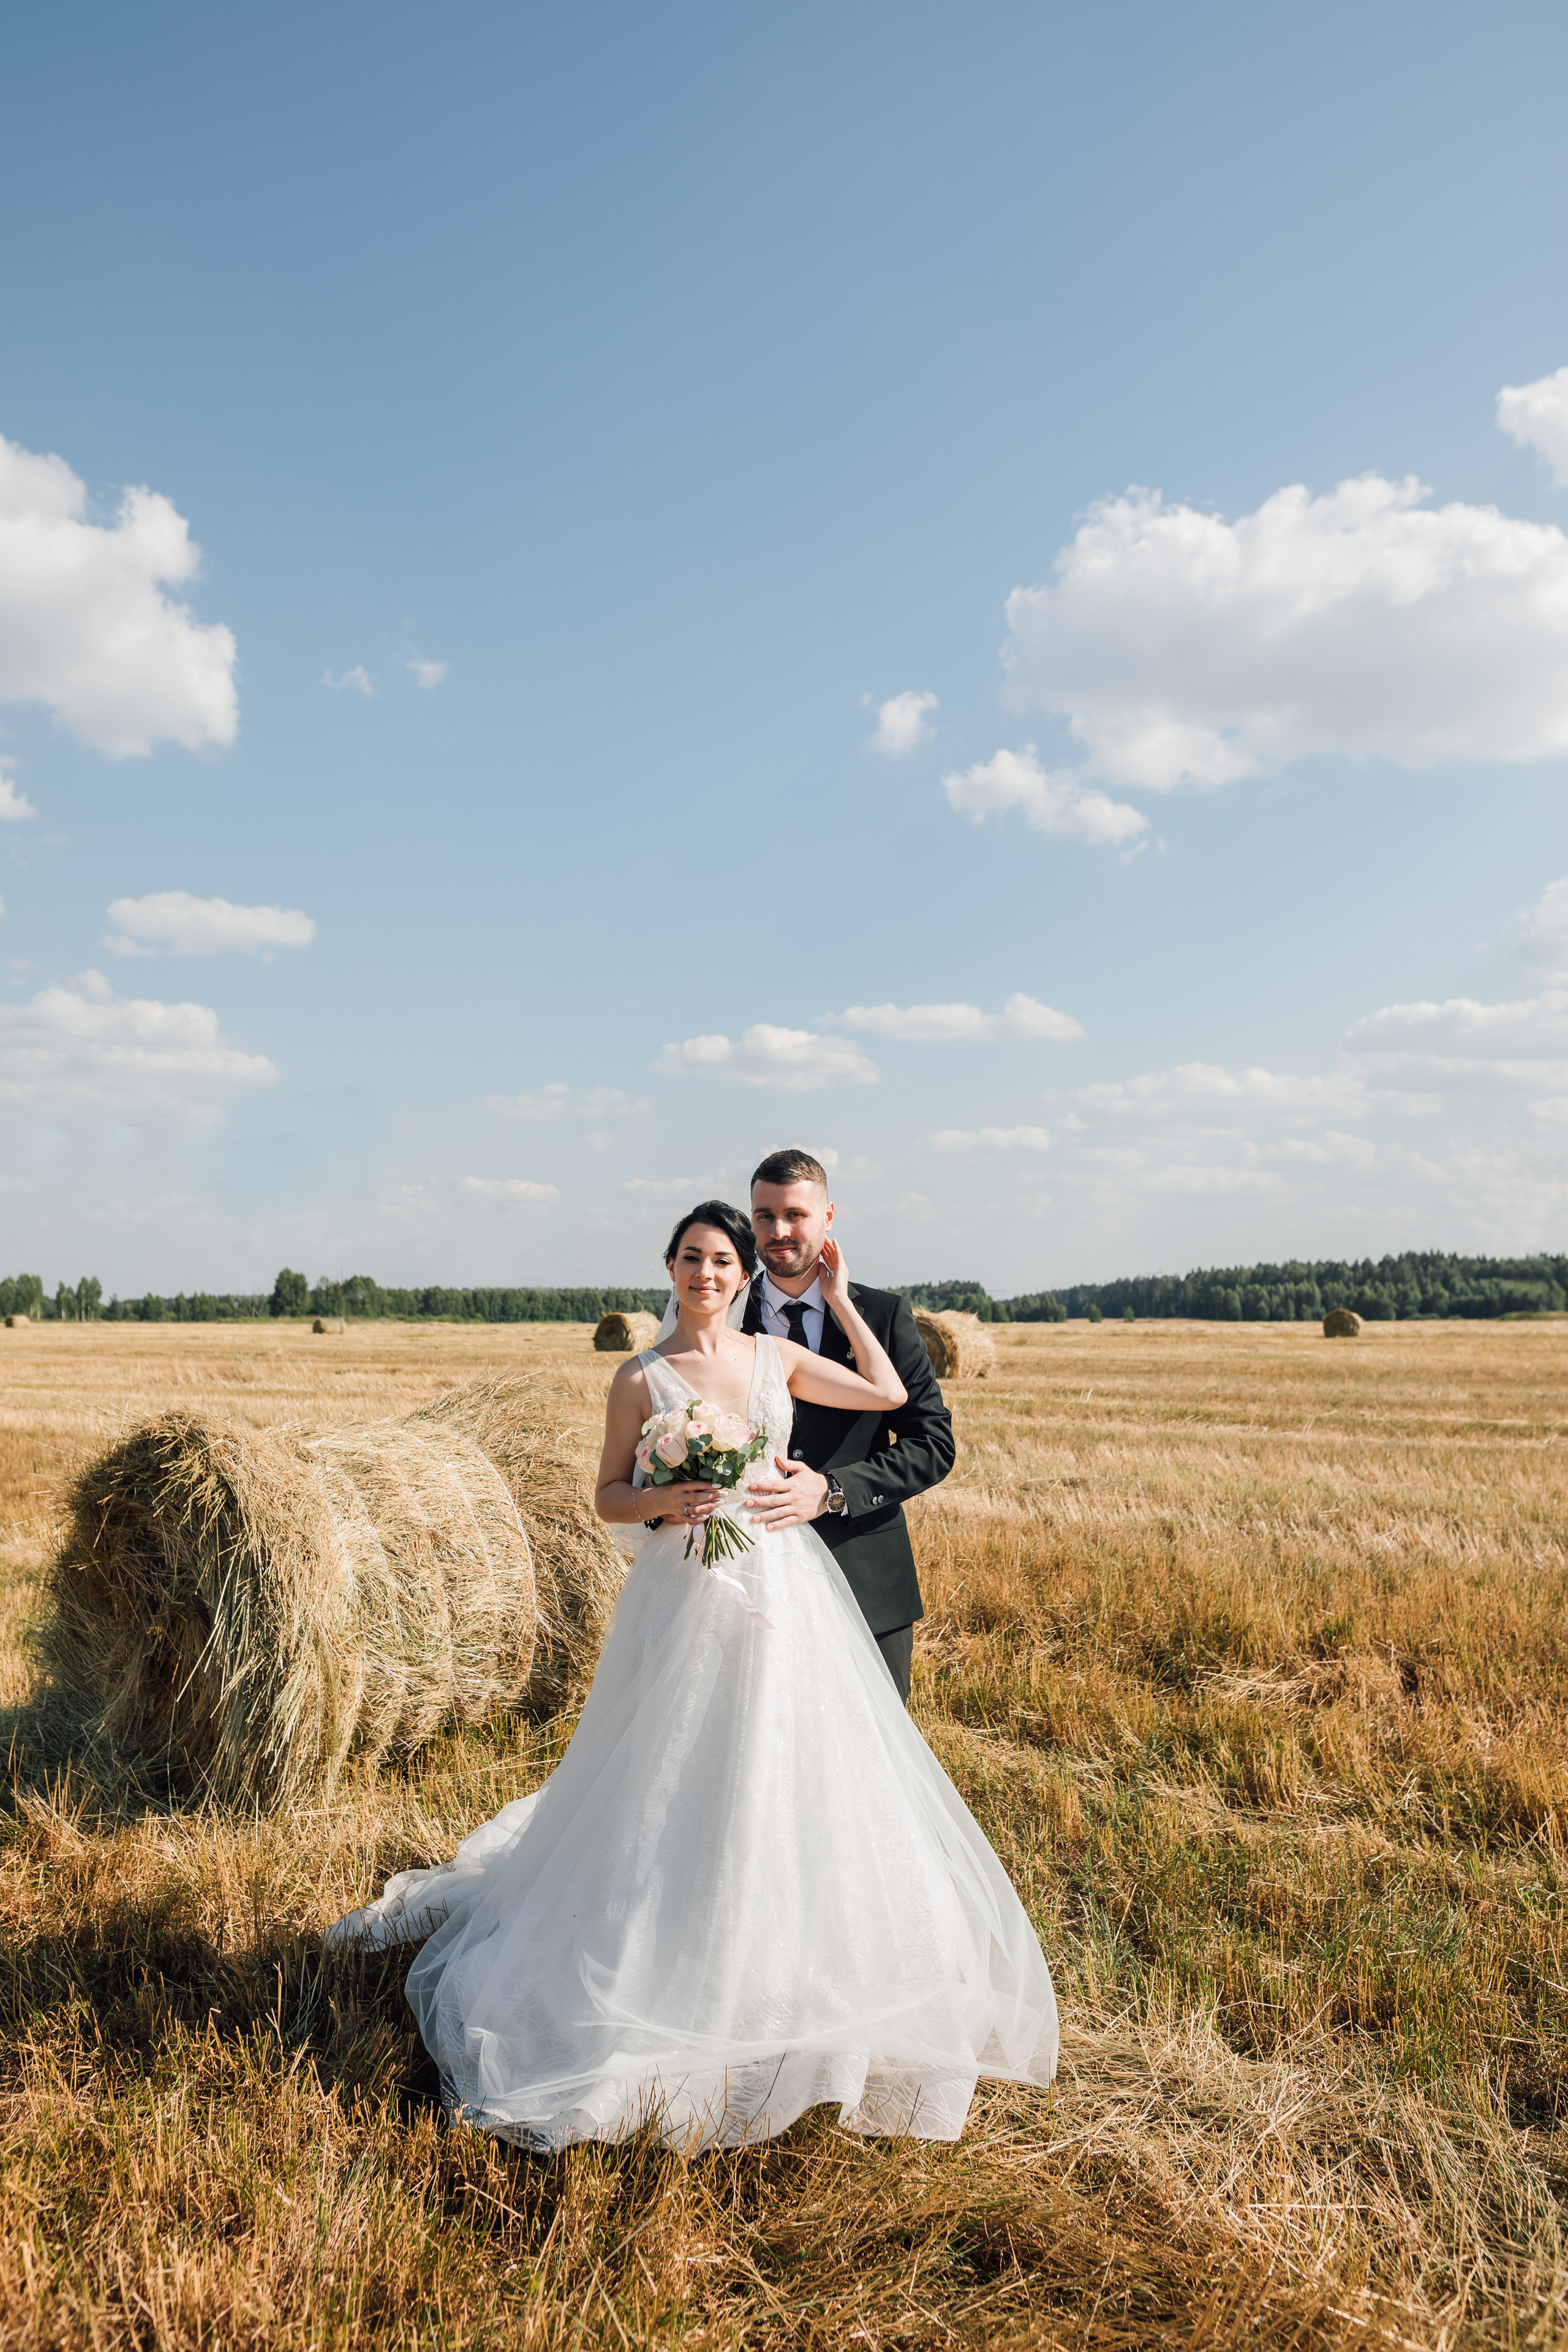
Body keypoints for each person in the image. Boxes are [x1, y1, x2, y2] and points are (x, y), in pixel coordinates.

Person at [328, 1199, 1058, 2153]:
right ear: (669, 1268)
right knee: (673, 1761)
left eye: (721, 1260)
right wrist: (664, 1498)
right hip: (683, 1590)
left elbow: (887, 1395)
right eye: (691, 1258)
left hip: (783, 1583)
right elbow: (607, 1496)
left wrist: (839, 1298)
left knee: (789, 1753)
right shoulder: (639, 1375)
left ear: (743, 1274)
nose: (705, 1274)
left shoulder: (775, 1357)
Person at [740, 1146, 953, 1703]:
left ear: (828, 1216)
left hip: (865, 1577)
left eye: (796, 1215)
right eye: (765, 1216)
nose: (779, 1231)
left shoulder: (882, 1315)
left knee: (875, 1747)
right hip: (746, 1582)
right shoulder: (721, 1321)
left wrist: (833, 1490)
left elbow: (932, 1444)